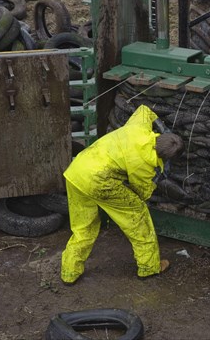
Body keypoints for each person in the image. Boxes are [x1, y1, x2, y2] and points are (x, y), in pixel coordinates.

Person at [60, 105, 184, 284]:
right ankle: (149, 267)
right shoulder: (143, 166)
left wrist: (163, 128)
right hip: (99, 181)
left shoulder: (138, 129)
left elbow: (144, 110)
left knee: (83, 227)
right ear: (167, 157)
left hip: (76, 173)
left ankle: (69, 273)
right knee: (138, 216)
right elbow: (142, 192)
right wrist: (155, 180)